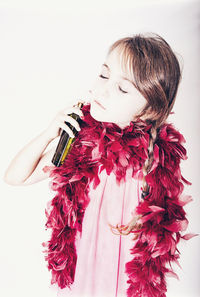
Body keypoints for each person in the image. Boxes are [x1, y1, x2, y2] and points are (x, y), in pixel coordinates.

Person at [4, 33, 193, 297]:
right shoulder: (81, 145)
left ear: (148, 111)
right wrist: (49, 133)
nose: (102, 89)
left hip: (123, 285)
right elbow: (15, 177)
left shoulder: (154, 163)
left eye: (123, 88)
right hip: (81, 278)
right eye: (104, 75)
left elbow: (158, 242)